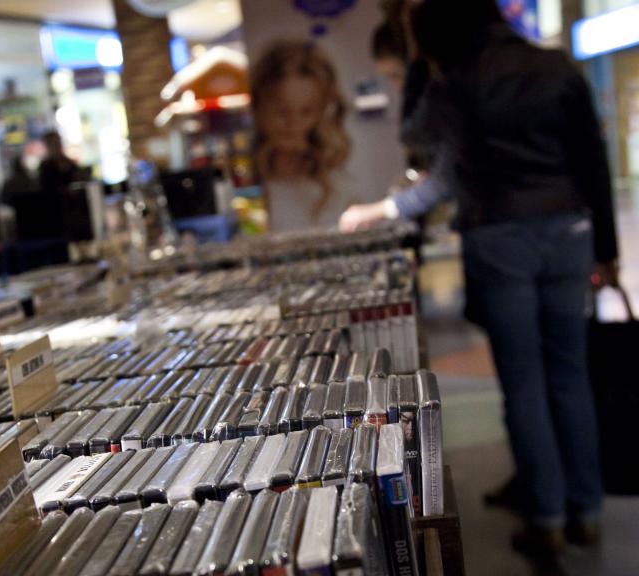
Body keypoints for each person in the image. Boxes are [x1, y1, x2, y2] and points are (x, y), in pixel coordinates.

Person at [340, 0, 618, 560]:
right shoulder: (556, 66)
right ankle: (586, 511)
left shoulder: (457, 81)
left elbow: (415, 134)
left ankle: (546, 518)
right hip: (567, 229)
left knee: (524, 383)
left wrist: (418, 67)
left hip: (498, 236)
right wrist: (608, 252)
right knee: (571, 375)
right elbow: (594, 161)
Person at [250, 40, 354, 230]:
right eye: (282, 112)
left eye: (306, 112)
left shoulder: (337, 184)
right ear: (259, 109)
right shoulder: (247, 183)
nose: (294, 124)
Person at [37, 131, 79, 196]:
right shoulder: (46, 167)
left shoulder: (70, 164)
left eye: (58, 143)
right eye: (53, 144)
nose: (57, 146)